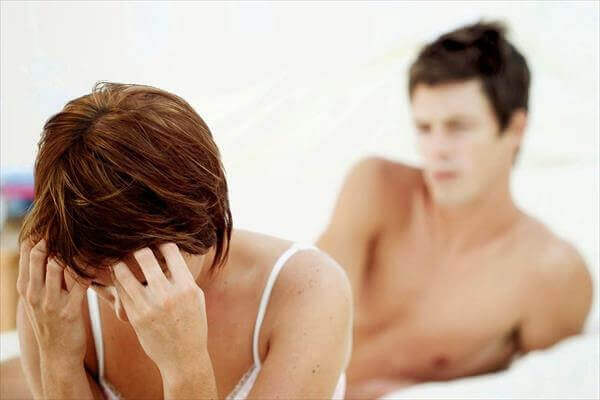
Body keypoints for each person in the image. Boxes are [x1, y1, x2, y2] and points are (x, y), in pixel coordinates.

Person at [1, 82, 351, 400]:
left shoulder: (309, 289)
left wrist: (185, 366)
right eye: (98, 284)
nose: (125, 313)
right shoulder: (53, 301)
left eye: (146, 280)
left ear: (203, 219)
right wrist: (59, 360)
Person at [317, 21, 593, 399]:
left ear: (515, 128)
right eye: (424, 128)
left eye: (458, 127)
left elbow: (544, 389)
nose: (437, 150)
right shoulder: (375, 188)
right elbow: (300, 314)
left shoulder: (551, 274)